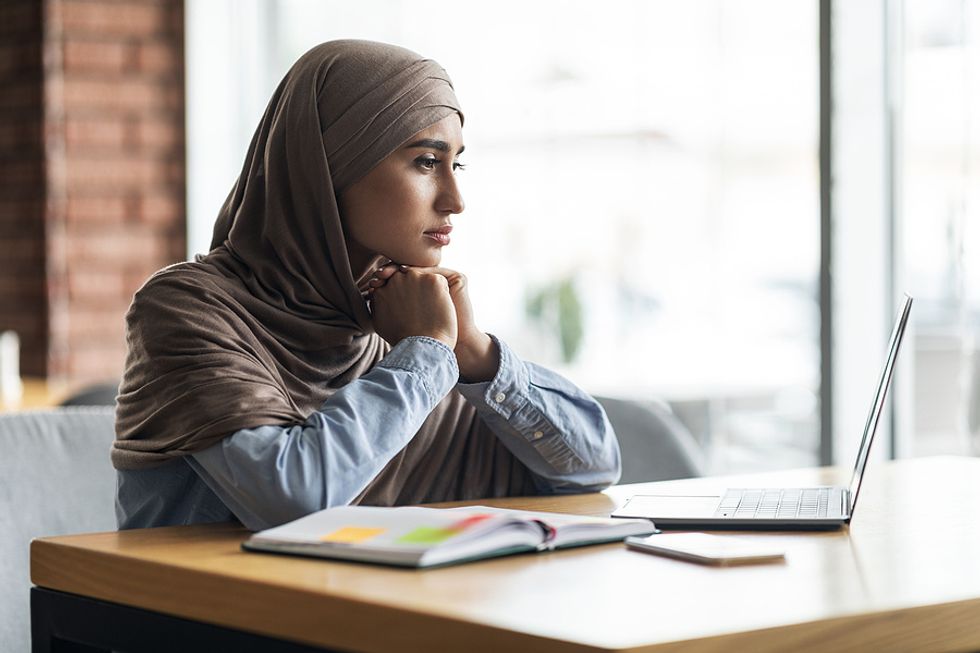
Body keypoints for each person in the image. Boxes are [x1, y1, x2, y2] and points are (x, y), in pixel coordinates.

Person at [112, 40, 621, 531]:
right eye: (426, 162)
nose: (455, 199)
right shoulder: (186, 309)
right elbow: (294, 497)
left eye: (457, 163)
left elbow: (593, 465)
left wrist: (473, 352)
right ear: (330, 167)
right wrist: (423, 355)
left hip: (391, 613)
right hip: (216, 615)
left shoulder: (401, 313)